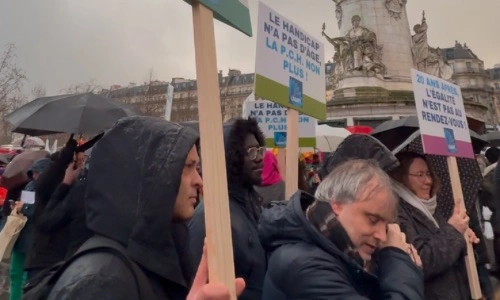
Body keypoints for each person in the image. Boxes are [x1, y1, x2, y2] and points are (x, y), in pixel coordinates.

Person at [47, 116, 244, 299]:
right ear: (149, 174)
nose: (199, 181)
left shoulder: (153, 256)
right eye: (187, 167)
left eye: (196, 168)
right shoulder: (101, 280)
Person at [260, 159, 424, 299]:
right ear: (337, 204)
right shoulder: (306, 267)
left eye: (386, 225)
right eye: (373, 220)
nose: (382, 236)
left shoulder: (339, 254)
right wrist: (398, 260)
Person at [189, 117, 267, 300]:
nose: (260, 158)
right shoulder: (209, 218)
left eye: (260, 150)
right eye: (251, 152)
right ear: (231, 157)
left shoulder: (253, 204)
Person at [390, 151, 478, 300]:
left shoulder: (433, 211)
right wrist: (453, 231)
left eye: (429, 174)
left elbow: (450, 251)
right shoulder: (397, 214)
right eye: (420, 175)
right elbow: (422, 261)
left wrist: (464, 239)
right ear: (401, 178)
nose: (428, 181)